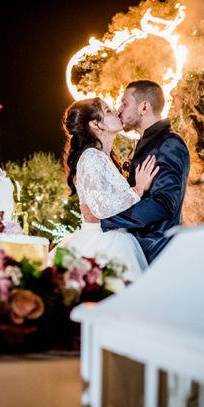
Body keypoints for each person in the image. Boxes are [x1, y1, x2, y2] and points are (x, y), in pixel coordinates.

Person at [56, 97, 159, 280]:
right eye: (108, 111)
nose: (117, 111)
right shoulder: (91, 157)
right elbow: (101, 207)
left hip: (117, 238)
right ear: (96, 124)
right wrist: (138, 189)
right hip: (103, 244)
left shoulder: (106, 157)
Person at [99, 80, 190, 265]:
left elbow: (163, 204)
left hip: (155, 253)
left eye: (124, 103)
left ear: (144, 107)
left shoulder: (169, 143)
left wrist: (110, 218)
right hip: (138, 251)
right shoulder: (148, 142)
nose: (119, 109)